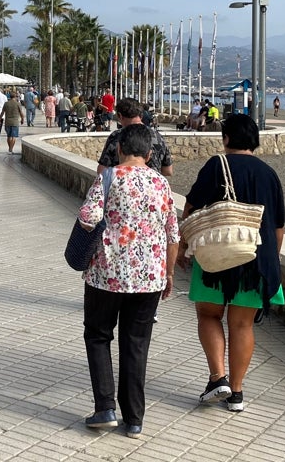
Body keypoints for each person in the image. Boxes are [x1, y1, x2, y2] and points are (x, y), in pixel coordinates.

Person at [179, 113, 285, 414]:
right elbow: (278, 225)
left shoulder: (217, 165)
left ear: (226, 138)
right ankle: (236, 393)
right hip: (256, 260)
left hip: (216, 256)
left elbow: (191, 208)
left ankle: (217, 378)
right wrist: (272, 262)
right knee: (242, 324)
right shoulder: (268, 174)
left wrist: (182, 247)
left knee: (209, 315)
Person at [78, 124, 178, 438]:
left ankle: (105, 408)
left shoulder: (107, 178)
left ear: (120, 150)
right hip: (149, 277)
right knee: (136, 345)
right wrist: (169, 273)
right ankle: (134, 419)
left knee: (98, 335)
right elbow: (173, 233)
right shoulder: (161, 183)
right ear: (150, 155)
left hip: (105, 274)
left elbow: (87, 218)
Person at [96, 97, 174, 179]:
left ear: (120, 116)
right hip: (152, 187)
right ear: (141, 115)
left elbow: (101, 170)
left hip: (122, 186)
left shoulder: (116, 136)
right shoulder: (158, 137)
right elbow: (168, 170)